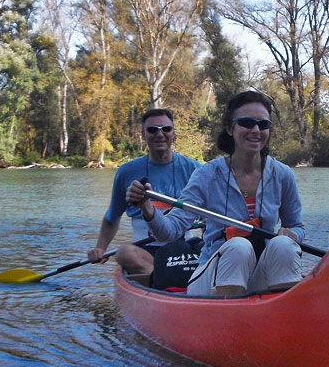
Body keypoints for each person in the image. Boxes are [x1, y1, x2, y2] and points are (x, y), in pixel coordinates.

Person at [126, 91, 305, 297]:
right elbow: (169, 232)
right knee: (238, 246)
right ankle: (230, 318)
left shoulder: (283, 175)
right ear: (230, 128)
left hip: (258, 275)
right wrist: (147, 208)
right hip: (210, 279)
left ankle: (285, 313)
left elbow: (297, 227)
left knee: (283, 244)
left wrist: (292, 234)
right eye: (247, 122)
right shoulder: (207, 174)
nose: (256, 130)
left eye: (263, 124)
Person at [88, 108, 201, 282]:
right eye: (152, 130)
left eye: (166, 129)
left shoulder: (195, 169)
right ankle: (166, 282)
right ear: (143, 135)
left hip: (183, 247)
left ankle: (161, 280)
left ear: (174, 134)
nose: (160, 134)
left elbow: (210, 214)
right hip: (146, 251)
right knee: (124, 253)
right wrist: (100, 248)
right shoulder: (126, 172)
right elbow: (112, 216)